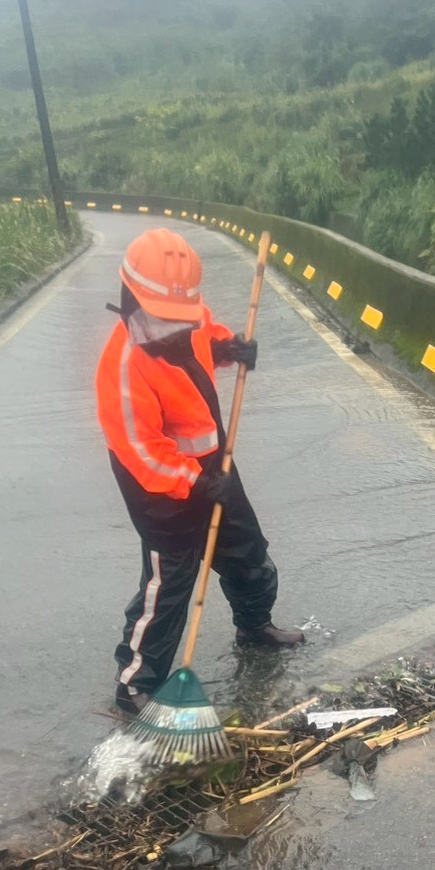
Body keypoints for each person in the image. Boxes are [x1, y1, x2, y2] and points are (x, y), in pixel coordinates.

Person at [96, 228, 303, 717]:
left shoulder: (185, 316)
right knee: (170, 585)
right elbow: (143, 453)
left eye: (181, 318)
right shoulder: (124, 366)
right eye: (165, 318)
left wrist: (231, 347)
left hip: (213, 466)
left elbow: (206, 330)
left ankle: (255, 627)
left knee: (247, 551)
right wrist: (192, 484)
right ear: (131, 300)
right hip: (159, 489)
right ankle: (135, 686)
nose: (175, 328)